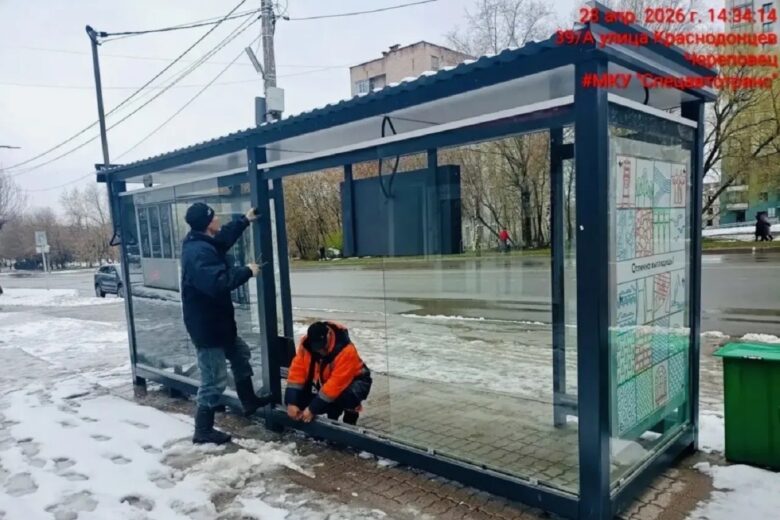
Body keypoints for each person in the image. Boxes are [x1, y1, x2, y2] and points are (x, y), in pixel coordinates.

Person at [181, 202, 270, 445]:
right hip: (207, 328)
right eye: (214, 217)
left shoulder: (204, 242)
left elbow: (223, 239)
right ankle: (203, 430)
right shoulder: (197, 252)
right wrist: (247, 271)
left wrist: (245, 220)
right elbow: (217, 282)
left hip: (219, 323)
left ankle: (249, 401)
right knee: (214, 379)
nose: (217, 219)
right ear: (207, 223)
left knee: (240, 354)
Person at [285, 321, 372, 425]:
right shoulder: (306, 344)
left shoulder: (346, 351)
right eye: (317, 348)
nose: (320, 351)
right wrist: (291, 402)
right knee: (305, 400)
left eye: (323, 346)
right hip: (327, 379)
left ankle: (350, 419)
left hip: (357, 380)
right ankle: (332, 418)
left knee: (345, 397)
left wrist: (312, 409)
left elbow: (335, 385)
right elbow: (297, 371)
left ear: (329, 335)